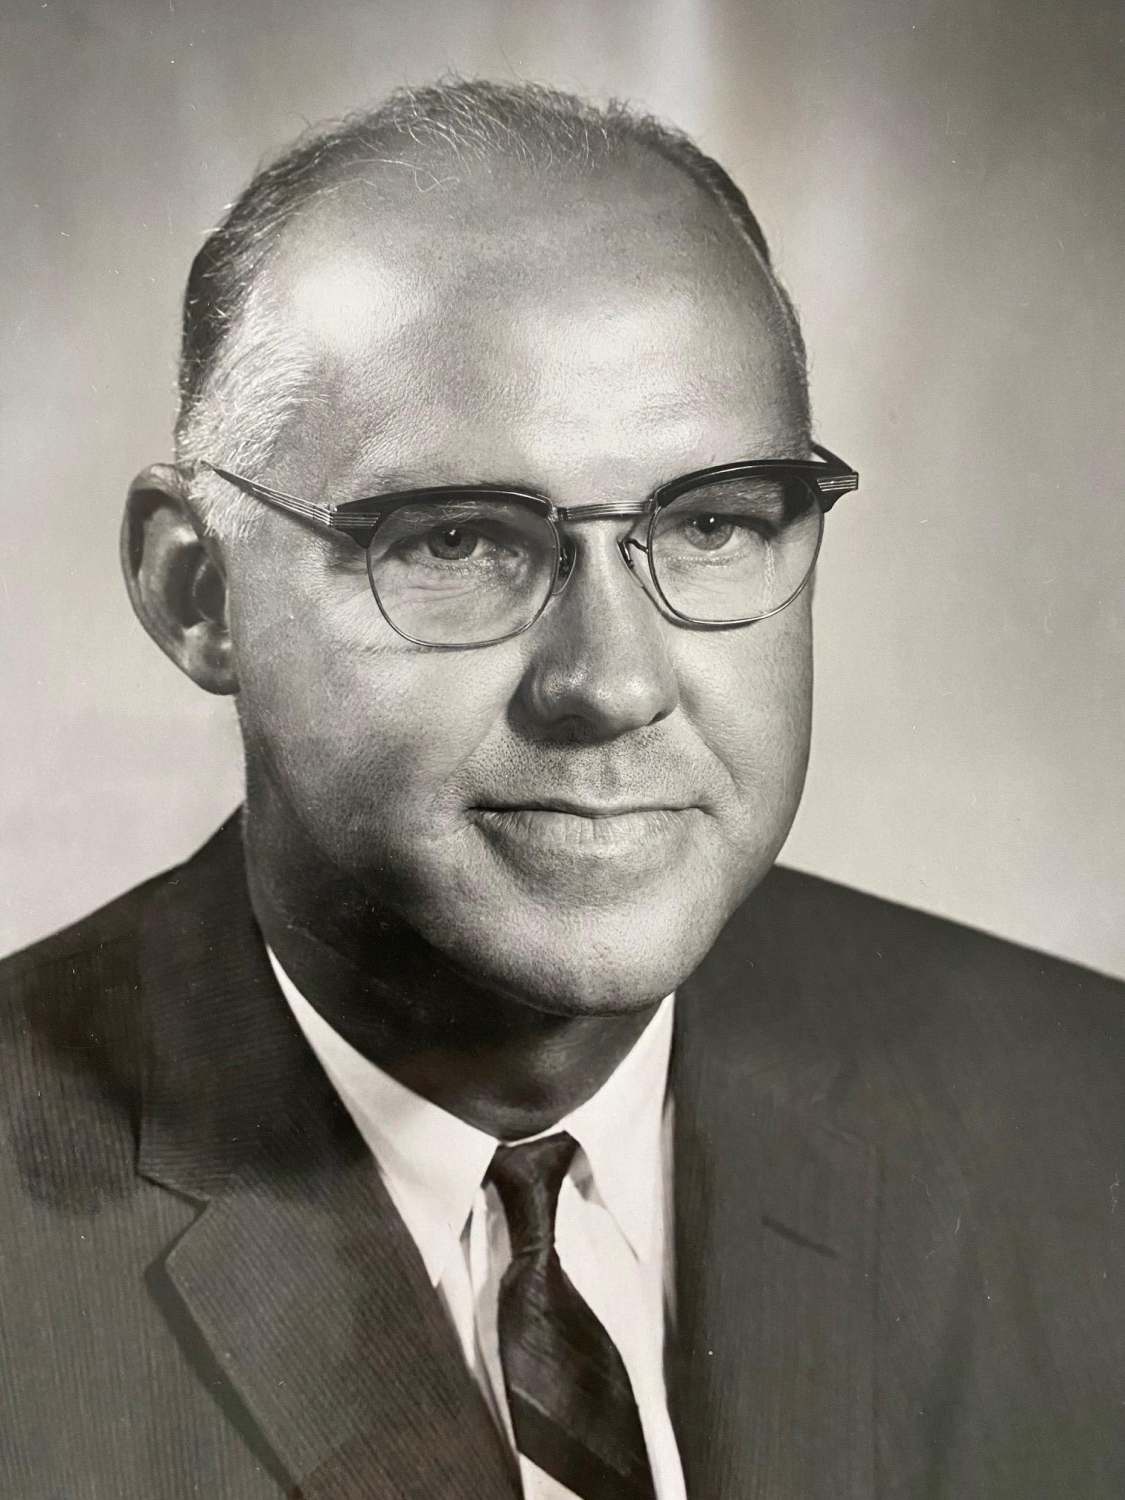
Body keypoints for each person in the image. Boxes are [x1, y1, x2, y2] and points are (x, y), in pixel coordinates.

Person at [1, 79, 1121, 1500]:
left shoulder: (1083, 1121)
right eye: (457, 541)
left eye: (712, 523)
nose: (610, 684)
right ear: (194, 589)